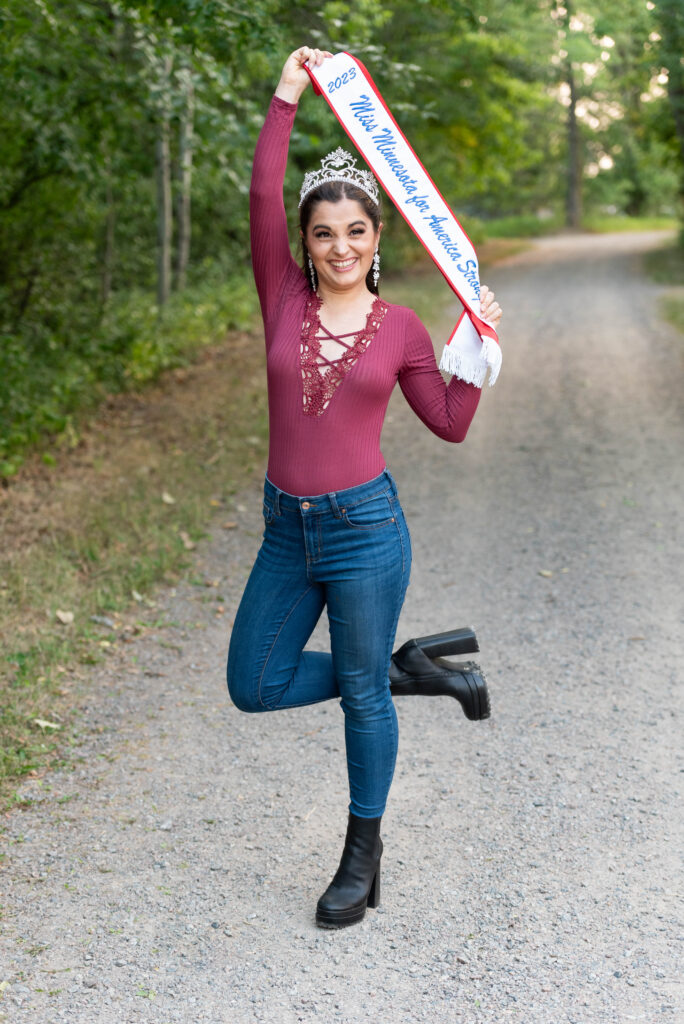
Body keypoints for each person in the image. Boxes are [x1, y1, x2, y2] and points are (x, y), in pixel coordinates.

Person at [227, 46, 503, 929]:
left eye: (356, 232)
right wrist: (287, 97)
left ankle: (361, 855)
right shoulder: (281, 295)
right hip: (285, 531)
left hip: (364, 530)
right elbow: (261, 193)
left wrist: (481, 344)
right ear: (304, 242)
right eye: (323, 232)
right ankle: (400, 670)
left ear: (377, 239)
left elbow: (449, 423)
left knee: (359, 701)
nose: (339, 246)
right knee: (254, 681)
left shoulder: (402, 327)